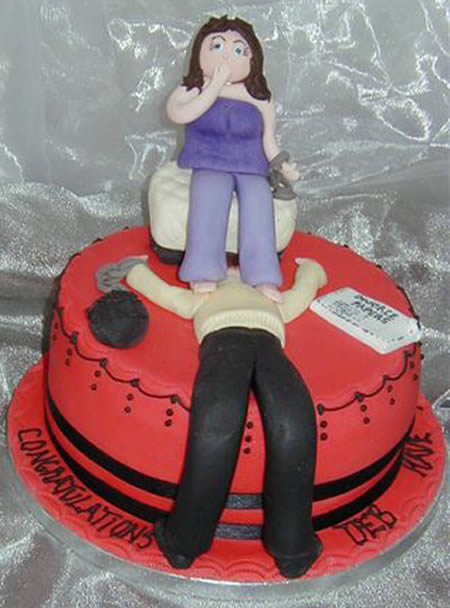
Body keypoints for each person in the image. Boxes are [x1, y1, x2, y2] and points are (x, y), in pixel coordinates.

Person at [126, 256, 327, 578]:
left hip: (232, 342)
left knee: (222, 425)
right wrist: (312, 270)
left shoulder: (211, 293)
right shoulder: (264, 296)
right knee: (290, 420)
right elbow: (301, 294)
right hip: (254, 342)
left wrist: (134, 270)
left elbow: (167, 295)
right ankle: (293, 549)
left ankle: (183, 544)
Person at [167, 16, 299, 302]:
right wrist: (214, 86)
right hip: (209, 162)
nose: (227, 55)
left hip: (251, 166)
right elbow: (180, 114)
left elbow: (269, 139)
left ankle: (263, 275)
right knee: (209, 198)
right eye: (217, 46)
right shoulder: (191, 89)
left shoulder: (260, 98)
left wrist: (281, 163)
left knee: (259, 201)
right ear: (199, 52)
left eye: (239, 50)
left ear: (254, 60)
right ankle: (203, 271)